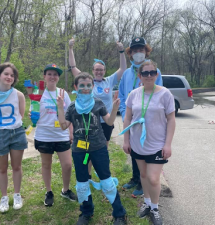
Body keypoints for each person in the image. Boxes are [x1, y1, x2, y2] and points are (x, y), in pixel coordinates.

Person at [57, 73, 127, 225]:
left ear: (93, 87)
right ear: (76, 87)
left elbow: (109, 122)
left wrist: (115, 108)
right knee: (82, 182)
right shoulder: (72, 107)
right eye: (82, 85)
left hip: (98, 148)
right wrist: (60, 109)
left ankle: (119, 213)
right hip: (79, 150)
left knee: (107, 180)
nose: (86, 88)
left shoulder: (98, 103)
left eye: (89, 85)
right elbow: (63, 126)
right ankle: (86, 212)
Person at [122, 60, 175, 225]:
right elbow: (128, 118)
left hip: (157, 145)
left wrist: (168, 144)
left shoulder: (165, 94)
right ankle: (146, 203)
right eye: (145, 73)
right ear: (140, 76)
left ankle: (154, 208)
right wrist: (126, 140)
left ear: (157, 74)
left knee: (153, 178)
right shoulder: (134, 94)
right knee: (143, 175)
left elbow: (171, 120)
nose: (149, 75)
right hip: (138, 143)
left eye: (153, 72)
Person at [69, 37, 127, 179]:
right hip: (88, 122)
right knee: (88, 149)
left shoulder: (110, 80)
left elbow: (123, 68)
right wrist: (70, 49)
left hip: (106, 121)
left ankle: (102, 174)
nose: (99, 72)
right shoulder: (87, 80)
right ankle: (87, 174)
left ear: (104, 70)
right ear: (93, 70)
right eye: (97, 70)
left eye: (101, 70)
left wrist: (121, 51)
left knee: (102, 149)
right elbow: (73, 67)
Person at [119, 37, 163, 198]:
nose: (138, 53)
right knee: (133, 149)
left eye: (141, 50)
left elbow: (160, 96)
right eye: (135, 50)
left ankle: (143, 182)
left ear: (146, 51)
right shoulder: (126, 74)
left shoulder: (153, 72)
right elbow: (123, 95)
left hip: (148, 122)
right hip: (130, 120)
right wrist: (126, 116)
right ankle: (135, 177)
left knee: (146, 150)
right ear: (130, 53)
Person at [0, 62, 28, 213]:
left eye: (12, 75)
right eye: (6, 74)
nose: (9, 77)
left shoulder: (19, 95)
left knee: (17, 166)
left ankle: (17, 195)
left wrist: (11, 126)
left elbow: (20, 115)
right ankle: (4, 198)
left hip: (17, 133)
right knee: (2, 168)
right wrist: (0, 129)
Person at [31, 64, 77, 206]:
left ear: (58, 77)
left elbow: (70, 114)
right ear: (44, 77)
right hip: (44, 136)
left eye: (55, 74)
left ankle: (65, 190)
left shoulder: (63, 93)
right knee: (46, 165)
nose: (52, 76)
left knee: (68, 165)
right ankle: (49, 192)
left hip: (61, 135)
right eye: (49, 74)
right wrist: (32, 116)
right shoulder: (38, 93)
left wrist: (71, 133)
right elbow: (34, 116)